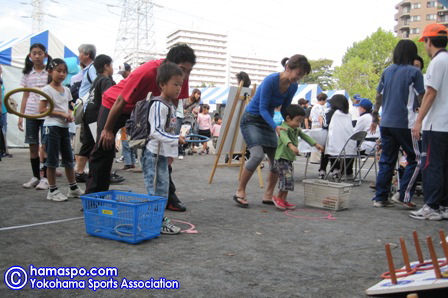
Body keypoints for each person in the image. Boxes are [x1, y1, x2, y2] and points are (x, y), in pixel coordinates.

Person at [85, 44, 195, 198]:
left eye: (189, 71)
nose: (185, 75)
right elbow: (120, 100)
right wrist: (108, 129)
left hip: (144, 110)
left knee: (160, 153)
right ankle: (94, 197)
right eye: (183, 69)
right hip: (116, 105)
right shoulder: (146, 72)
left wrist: (169, 134)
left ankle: (168, 197)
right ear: (168, 63)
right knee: (104, 147)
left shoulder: (180, 78)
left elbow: (173, 103)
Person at [233, 54, 311, 207]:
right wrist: (275, 127)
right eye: (298, 73)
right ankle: (240, 191)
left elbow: (285, 111)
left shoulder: (293, 86)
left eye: (302, 76)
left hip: (267, 122)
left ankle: (268, 195)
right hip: (252, 120)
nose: (299, 78)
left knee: (277, 159)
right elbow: (262, 108)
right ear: (288, 68)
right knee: (257, 156)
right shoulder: (271, 80)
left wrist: (289, 125)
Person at [371, 39, 425, 208]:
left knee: (387, 160)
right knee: (416, 158)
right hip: (405, 123)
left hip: (386, 122)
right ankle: (402, 194)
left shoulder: (387, 71)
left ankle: (380, 197)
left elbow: (378, 95)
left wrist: (375, 117)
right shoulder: (414, 72)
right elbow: (422, 97)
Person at [141, 61, 186, 234]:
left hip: (160, 155)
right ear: (162, 84)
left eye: (180, 85)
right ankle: (155, 221)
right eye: (175, 84)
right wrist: (177, 139)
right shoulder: (159, 104)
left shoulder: (170, 105)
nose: (178, 88)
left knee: (162, 189)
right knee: (155, 190)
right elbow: (156, 132)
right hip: (152, 154)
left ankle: (157, 219)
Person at [410, 24, 448, 220]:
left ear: (428, 41)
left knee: (431, 165)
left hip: (436, 124)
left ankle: (431, 205)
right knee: (444, 166)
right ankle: (443, 205)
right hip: (446, 124)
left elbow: (431, 92)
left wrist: (418, 121)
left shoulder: (437, 62)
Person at [38, 59, 84, 201]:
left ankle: (73, 188)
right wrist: (61, 114)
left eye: (64, 71)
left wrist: (71, 114)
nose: (62, 74)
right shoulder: (46, 90)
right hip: (51, 127)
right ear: (50, 72)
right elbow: (42, 110)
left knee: (69, 159)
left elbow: (69, 107)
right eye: (58, 71)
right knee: (52, 160)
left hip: (64, 127)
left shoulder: (67, 90)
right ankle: (52, 190)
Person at [272, 105, 323, 210]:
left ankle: (284, 200)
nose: (299, 124)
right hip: (282, 158)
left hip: (288, 159)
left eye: (300, 121)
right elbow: (284, 137)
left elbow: (305, 136)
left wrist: (315, 144)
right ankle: (278, 198)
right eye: (297, 121)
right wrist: (291, 146)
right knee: (285, 180)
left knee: (289, 180)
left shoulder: (295, 129)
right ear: (288, 118)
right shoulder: (284, 128)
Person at [18, 43, 52, 190]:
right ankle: (35, 177)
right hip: (31, 113)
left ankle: (45, 178)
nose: (37, 56)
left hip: (46, 114)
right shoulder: (27, 73)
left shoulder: (50, 73)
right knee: (33, 146)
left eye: (40, 53)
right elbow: (25, 95)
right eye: (34, 53)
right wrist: (21, 116)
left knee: (45, 146)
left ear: (45, 55)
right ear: (30, 56)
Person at [78, 54, 116, 177]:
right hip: (97, 116)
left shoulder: (96, 80)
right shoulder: (106, 80)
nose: (112, 68)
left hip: (88, 114)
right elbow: (108, 99)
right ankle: (103, 173)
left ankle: (79, 172)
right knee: (103, 145)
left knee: (88, 144)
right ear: (106, 66)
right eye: (111, 65)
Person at [318, 95, 355, 181]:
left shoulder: (332, 112)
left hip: (335, 146)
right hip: (349, 147)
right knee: (335, 146)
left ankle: (322, 170)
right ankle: (336, 170)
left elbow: (325, 125)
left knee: (326, 147)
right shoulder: (348, 115)